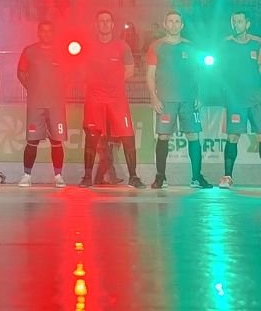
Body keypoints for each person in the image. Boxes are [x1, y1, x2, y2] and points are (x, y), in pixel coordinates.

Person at [146, 10, 212, 189]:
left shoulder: (190, 47)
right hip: (166, 100)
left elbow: (199, 73)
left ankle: (196, 177)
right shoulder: (156, 46)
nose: (174, 24)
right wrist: (153, 96)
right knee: (163, 135)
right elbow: (150, 74)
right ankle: (160, 177)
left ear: (182, 25)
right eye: (170, 21)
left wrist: (200, 95)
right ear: (165, 24)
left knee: (193, 135)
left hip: (188, 100)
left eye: (177, 21)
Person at [80, 10, 144, 188]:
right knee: (92, 138)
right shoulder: (89, 46)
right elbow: (82, 71)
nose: (105, 24)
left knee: (127, 137)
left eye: (108, 21)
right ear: (96, 24)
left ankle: (133, 177)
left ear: (113, 24)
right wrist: (97, 84)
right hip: (95, 99)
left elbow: (130, 70)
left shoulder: (122, 46)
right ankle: (86, 177)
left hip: (117, 99)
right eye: (101, 21)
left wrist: (112, 83)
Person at [16, 21, 67, 187]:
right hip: (36, 103)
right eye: (43, 31)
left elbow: (70, 73)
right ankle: (26, 175)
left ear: (53, 33)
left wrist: (60, 89)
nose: (46, 34)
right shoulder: (29, 51)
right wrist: (32, 88)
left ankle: (58, 176)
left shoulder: (61, 52)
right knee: (32, 140)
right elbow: (21, 72)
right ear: (38, 33)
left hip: (56, 104)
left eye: (49, 31)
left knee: (57, 141)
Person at [218, 11, 261, 188]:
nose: (237, 24)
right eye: (234, 21)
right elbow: (220, 71)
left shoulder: (257, 43)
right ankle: (227, 177)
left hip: (257, 99)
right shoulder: (225, 44)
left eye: (240, 21)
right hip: (235, 99)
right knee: (232, 137)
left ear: (247, 24)